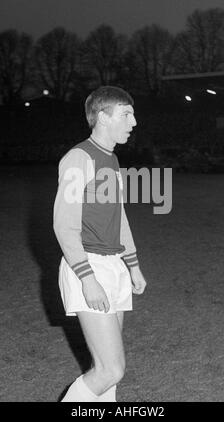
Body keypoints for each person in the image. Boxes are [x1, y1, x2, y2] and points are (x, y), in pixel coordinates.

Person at [53, 86, 147, 402]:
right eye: (126, 114)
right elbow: (64, 225)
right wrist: (87, 279)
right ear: (103, 116)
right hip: (88, 268)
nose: (133, 122)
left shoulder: (112, 160)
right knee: (111, 370)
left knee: (108, 369)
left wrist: (132, 266)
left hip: (113, 266)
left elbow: (118, 218)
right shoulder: (79, 158)